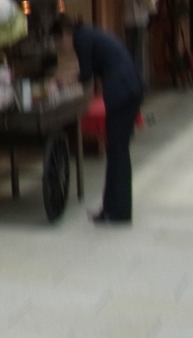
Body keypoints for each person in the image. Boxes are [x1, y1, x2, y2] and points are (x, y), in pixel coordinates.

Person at [52, 17, 143, 224]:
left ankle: (117, 211)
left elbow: (85, 75)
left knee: (117, 152)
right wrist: (67, 76)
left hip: (121, 92)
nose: (62, 46)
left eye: (59, 41)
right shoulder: (89, 34)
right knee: (118, 152)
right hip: (130, 88)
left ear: (65, 34)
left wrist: (62, 81)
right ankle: (114, 209)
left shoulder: (81, 39)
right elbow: (89, 70)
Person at [122, 0, 157, 85]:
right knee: (141, 51)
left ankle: (131, 78)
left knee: (130, 49)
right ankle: (141, 79)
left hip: (129, 19)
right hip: (143, 19)